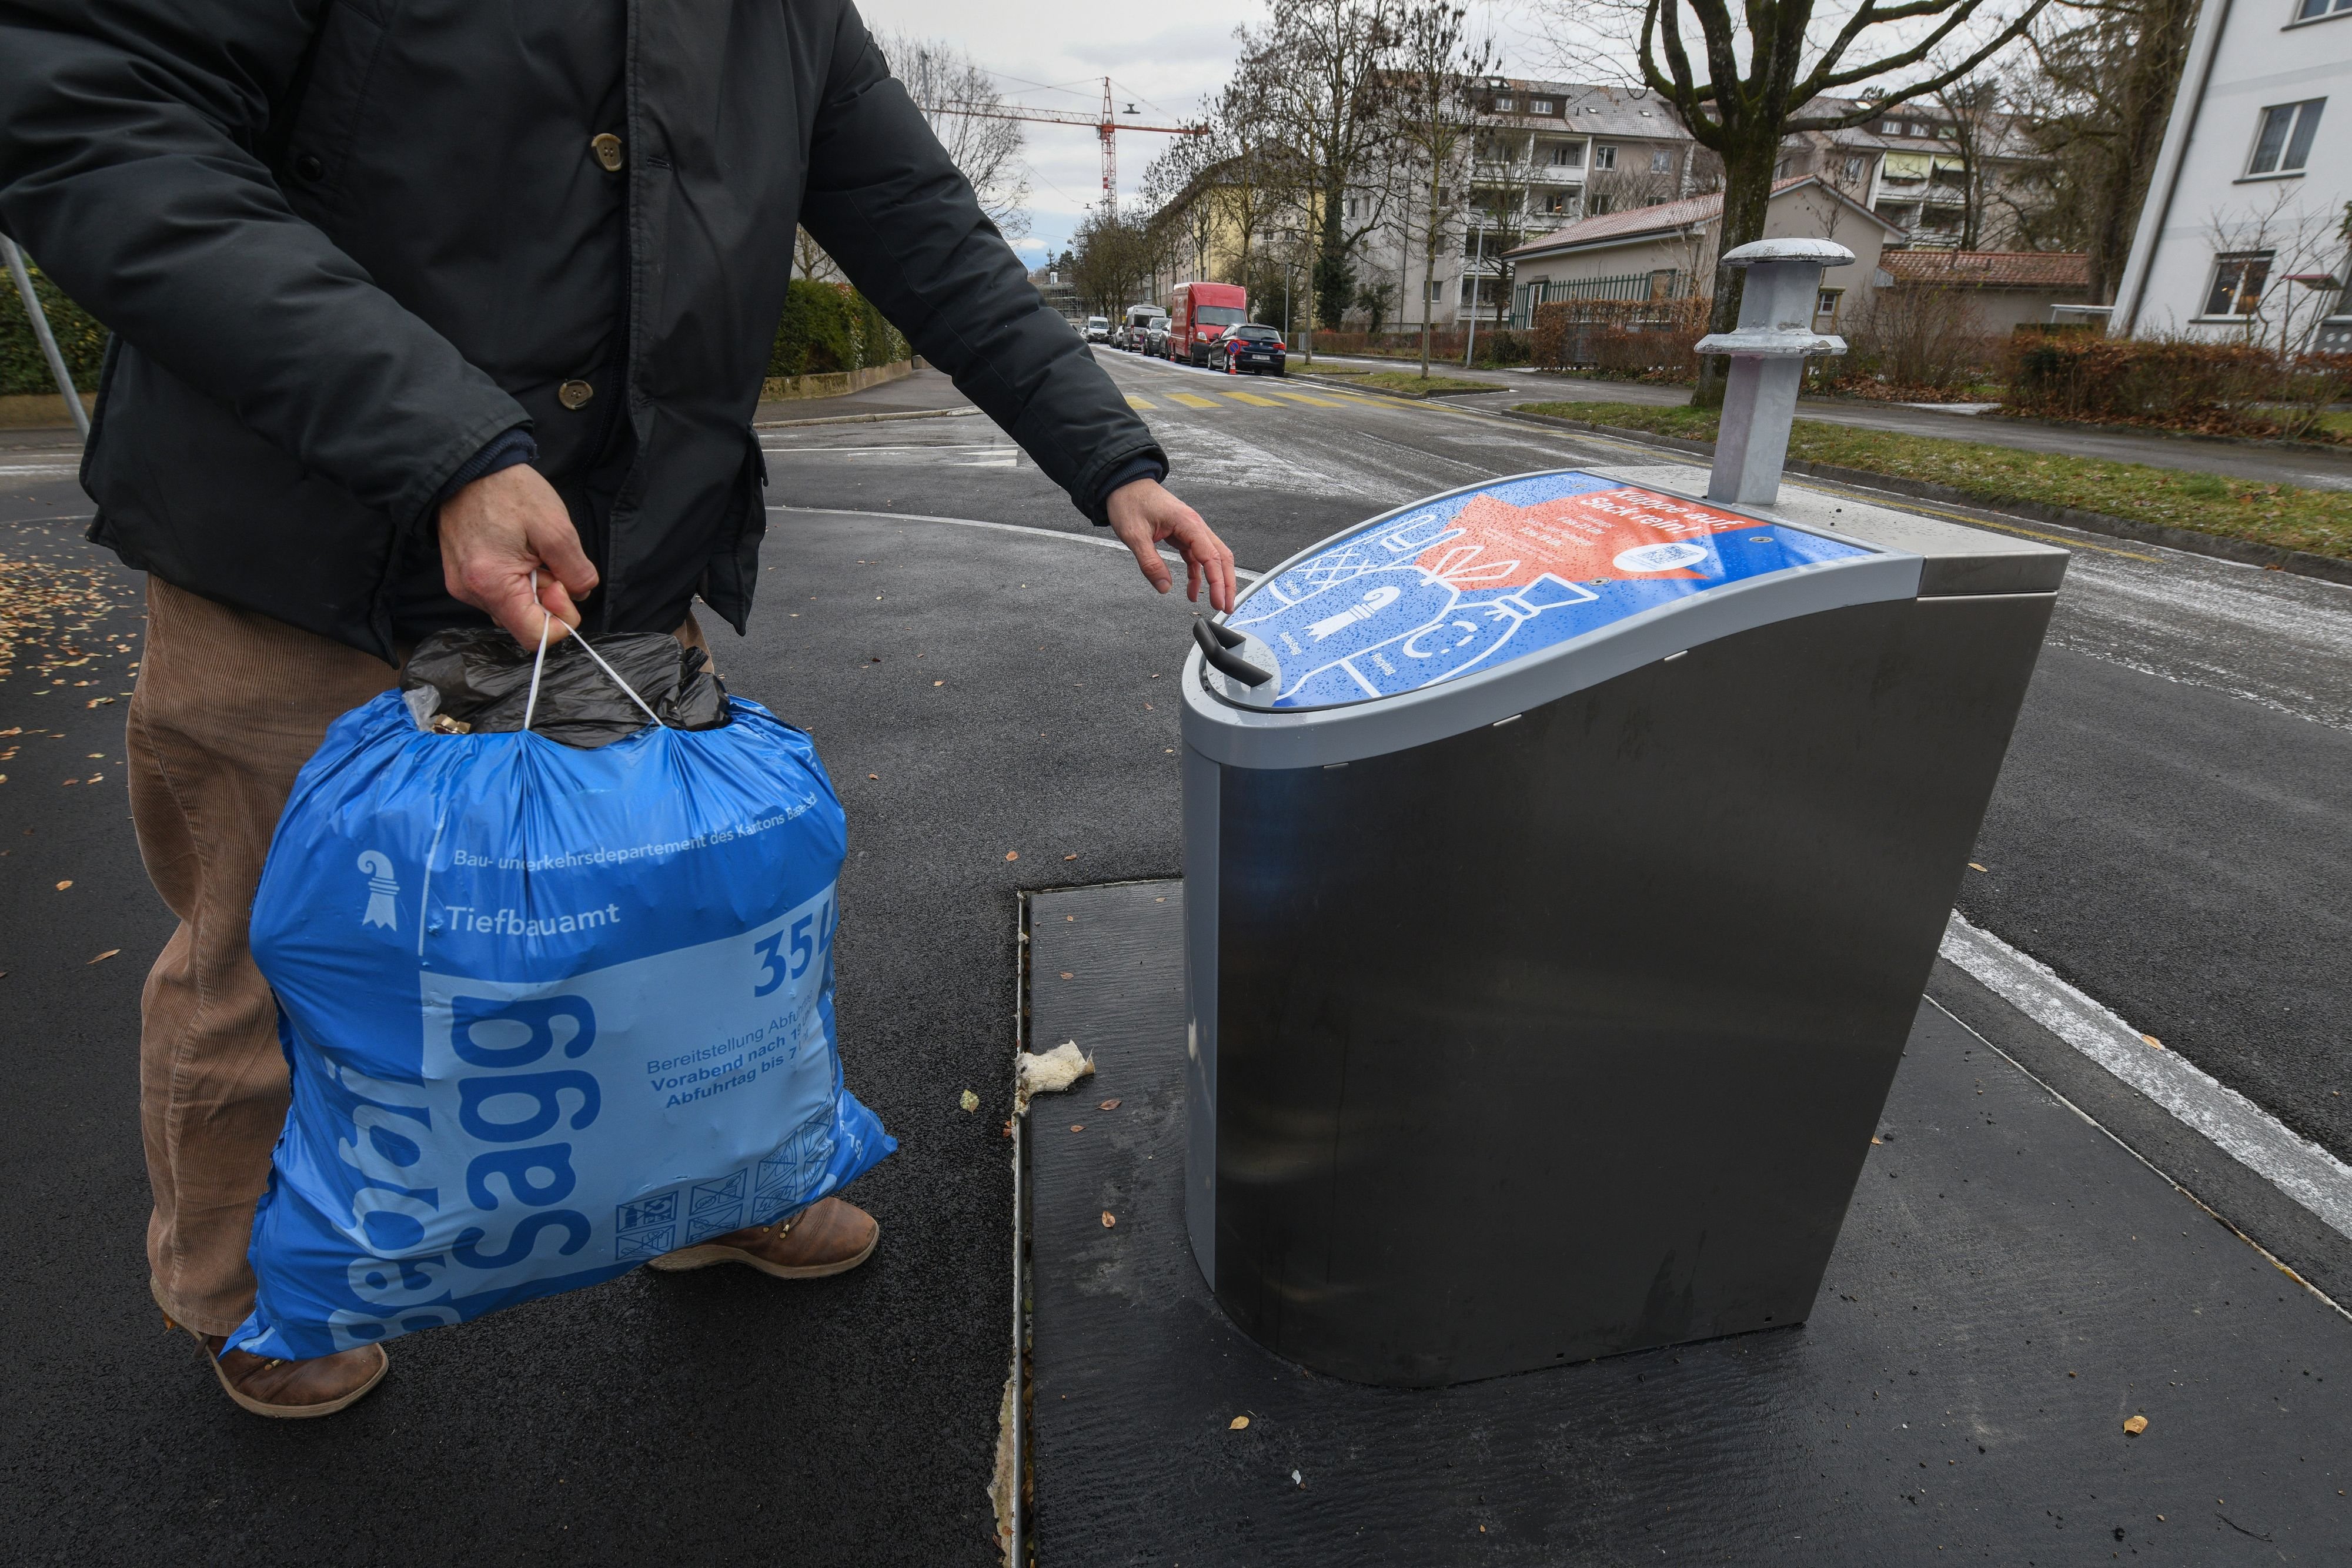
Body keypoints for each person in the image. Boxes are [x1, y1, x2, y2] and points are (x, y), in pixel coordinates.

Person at [0, 0, 1236, 1418]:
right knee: (269, 956)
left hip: (612, 564)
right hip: (299, 547)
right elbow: (91, 117)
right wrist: (438, 441)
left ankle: (709, 1188)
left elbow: (920, 226)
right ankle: (246, 1292)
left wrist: (1107, 457)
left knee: (679, 918)